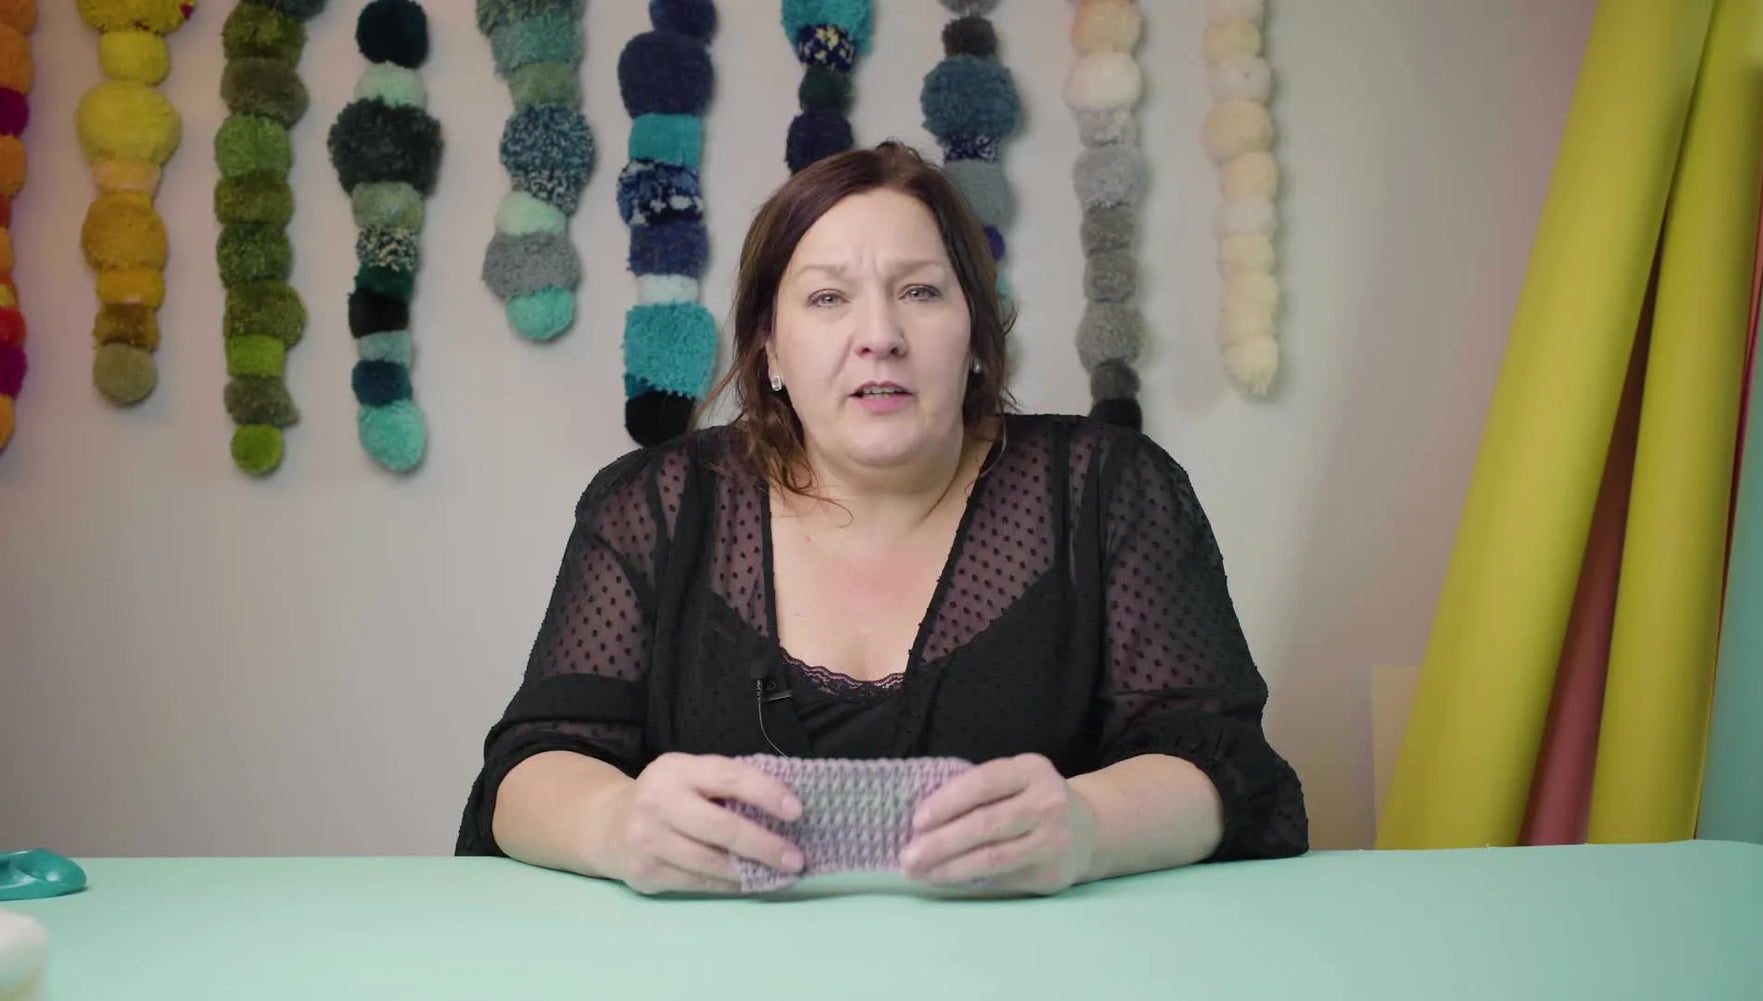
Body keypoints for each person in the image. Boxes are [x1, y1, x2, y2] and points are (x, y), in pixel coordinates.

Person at [455, 141, 1308, 896]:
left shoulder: (1110, 487)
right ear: (770, 348)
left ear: (976, 335)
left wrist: (1090, 827)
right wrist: (614, 823)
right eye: (828, 298)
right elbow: (528, 771)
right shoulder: (653, 505)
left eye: (921, 291)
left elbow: (1223, 763)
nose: (880, 335)